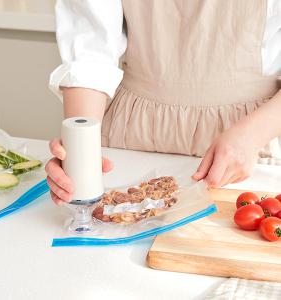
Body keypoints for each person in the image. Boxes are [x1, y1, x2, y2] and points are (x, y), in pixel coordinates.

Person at [46, 0, 281, 205]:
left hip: (254, 135)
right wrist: (81, 145)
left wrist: (251, 136)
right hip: (134, 129)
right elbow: (90, 48)